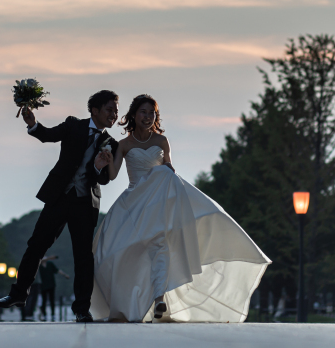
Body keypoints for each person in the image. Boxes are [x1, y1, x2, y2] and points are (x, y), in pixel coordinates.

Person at [92, 94, 271, 322]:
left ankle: (159, 299)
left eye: (152, 113)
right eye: (143, 112)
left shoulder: (161, 142)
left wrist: (169, 173)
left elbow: (169, 169)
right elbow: (114, 174)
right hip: (135, 205)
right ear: (134, 115)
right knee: (118, 251)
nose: (148, 117)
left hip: (158, 206)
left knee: (160, 246)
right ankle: (130, 300)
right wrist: (106, 161)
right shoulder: (125, 144)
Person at [0, 90, 120, 323]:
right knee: (36, 246)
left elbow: (102, 180)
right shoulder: (73, 125)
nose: (114, 114)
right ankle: (18, 294)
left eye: (116, 110)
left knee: (83, 257)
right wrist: (32, 124)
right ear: (95, 110)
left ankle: (82, 309)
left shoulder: (112, 143)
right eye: (110, 109)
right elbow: (48, 135)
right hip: (59, 196)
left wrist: (99, 167)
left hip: (85, 202)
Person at [38, 255, 69, 321]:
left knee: (52, 300)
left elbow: (57, 270)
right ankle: (44, 315)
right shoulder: (39, 265)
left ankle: (53, 314)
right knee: (44, 300)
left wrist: (64, 274)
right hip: (43, 285)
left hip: (51, 284)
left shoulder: (50, 264)